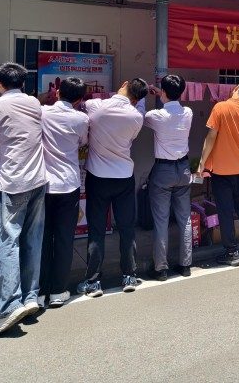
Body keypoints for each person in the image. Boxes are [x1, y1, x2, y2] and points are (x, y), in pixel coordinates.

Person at [0, 62, 47, 337]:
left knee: (3, 242)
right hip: (38, 179)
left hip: (11, 182)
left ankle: (9, 306)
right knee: (32, 239)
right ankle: (31, 297)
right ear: (24, 82)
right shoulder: (34, 104)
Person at [76, 79, 147, 298]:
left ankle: (93, 281)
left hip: (98, 177)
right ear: (137, 99)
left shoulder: (96, 106)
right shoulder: (136, 117)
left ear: (124, 84)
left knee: (96, 229)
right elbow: (132, 136)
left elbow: (82, 107)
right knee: (126, 228)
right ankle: (129, 275)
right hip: (124, 176)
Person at [39, 76, 89, 308]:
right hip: (69, 183)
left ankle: (39, 292)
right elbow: (82, 142)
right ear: (80, 99)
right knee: (64, 238)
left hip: (43, 183)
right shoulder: (81, 119)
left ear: (57, 92)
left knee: (41, 238)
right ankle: (58, 291)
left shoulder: (42, 113)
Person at [197, 81, 239, 267]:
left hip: (222, 170)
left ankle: (231, 253)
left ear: (237, 88)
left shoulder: (220, 107)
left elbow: (211, 137)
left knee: (225, 211)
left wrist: (202, 163)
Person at [144, 74, 194, 280]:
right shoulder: (188, 112)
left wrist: (148, 95)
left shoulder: (155, 116)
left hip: (163, 171)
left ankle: (161, 268)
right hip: (183, 169)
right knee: (185, 219)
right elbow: (172, 106)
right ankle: (185, 265)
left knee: (161, 220)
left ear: (163, 92)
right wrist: (162, 94)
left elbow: (141, 117)